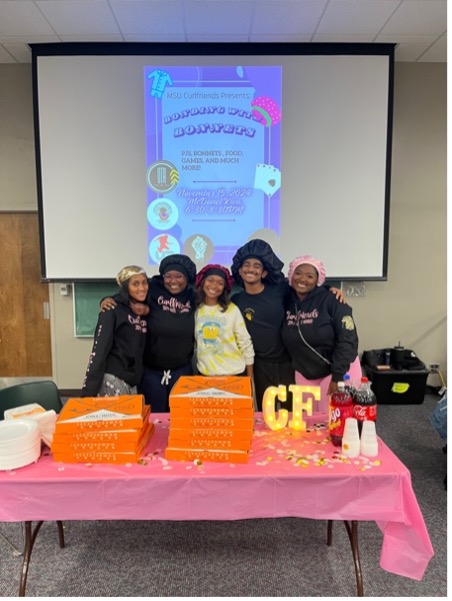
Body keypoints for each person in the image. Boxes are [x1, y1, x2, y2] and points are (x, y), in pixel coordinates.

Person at [230, 239, 347, 411]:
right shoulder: (237, 301)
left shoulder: (280, 290)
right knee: (265, 411)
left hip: (288, 362)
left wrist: (330, 288)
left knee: (292, 410)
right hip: (260, 364)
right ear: (239, 270)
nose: (251, 269)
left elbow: (306, 287)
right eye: (246, 265)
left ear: (264, 272)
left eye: (257, 265)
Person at [100, 254, 197, 412]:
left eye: (179, 276)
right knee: (154, 417)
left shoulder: (193, 297)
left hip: (182, 370)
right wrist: (107, 299)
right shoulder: (152, 288)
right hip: (151, 371)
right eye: (168, 276)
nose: (173, 281)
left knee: (181, 415)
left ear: (187, 277)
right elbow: (127, 295)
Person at [281, 255, 361, 418]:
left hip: (337, 372)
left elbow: (347, 339)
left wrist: (338, 376)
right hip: (305, 372)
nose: (302, 279)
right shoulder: (287, 301)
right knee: (309, 424)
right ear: (290, 276)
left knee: (335, 421)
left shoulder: (333, 300)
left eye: (310, 276)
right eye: (298, 273)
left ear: (318, 279)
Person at [81, 265, 149, 397]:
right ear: (125, 287)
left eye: (144, 283)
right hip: (113, 381)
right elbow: (99, 352)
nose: (142, 288)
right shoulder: (111, 310)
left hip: (133, 382)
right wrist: (87, 395)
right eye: (135, 284)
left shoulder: (141, 310)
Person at [194, 264, 254, 378]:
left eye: (220, 283)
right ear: (202, 282)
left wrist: (250, 378)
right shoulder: (196, 309)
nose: (214, 286)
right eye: (210, 280)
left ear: (225, 288)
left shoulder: (232, 310)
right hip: (205, 375)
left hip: (233, 374)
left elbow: (245, 343)